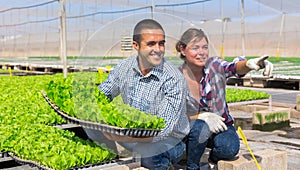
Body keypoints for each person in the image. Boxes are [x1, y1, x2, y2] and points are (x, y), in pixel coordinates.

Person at [175, 28, 273, 170]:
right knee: (197, 130)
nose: (201, 52)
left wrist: (248, 65)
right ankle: (192, 165)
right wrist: (201, 117)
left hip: (221, 126)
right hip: (192, 129)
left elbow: (233, 67)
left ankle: (211, 160)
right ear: (183, 50)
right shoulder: (176, 78)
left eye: (204, 47)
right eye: (195, 48)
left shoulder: (214, 66)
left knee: (228, 148)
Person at [99, 19, 190, 170]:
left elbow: (163, 131)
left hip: (169, 140)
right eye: (151, 44)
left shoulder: (174, 78)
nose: (158, 49)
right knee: (87, 130)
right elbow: (104, 93)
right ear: (136, 46)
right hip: (131, 134)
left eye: (161, 43)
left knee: (150, 153)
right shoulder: (124, 67)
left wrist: (120, 137)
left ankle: (166, 164)